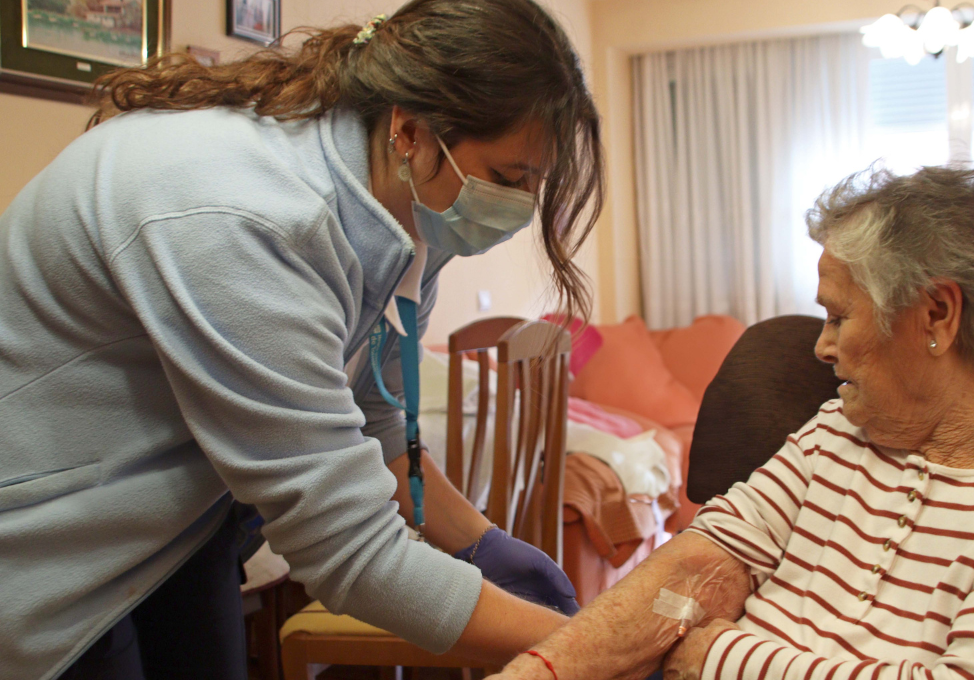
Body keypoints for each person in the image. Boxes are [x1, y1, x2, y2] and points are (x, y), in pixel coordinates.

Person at [0, 1, 603, 678]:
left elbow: (377, 420)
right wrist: (597, 649)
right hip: (46, 538)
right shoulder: (244, 216)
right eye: (508, 180)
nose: (518, 209)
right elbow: (353, 555)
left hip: (175, 521)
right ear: (411, 129)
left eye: (535, 184)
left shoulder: (412, 214)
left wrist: (480, 542)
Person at [484, 166, 974, 680]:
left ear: (937, 316)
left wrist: (720, 656)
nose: (821, 347)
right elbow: (701, 563)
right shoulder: (842, 429)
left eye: (839, 316)